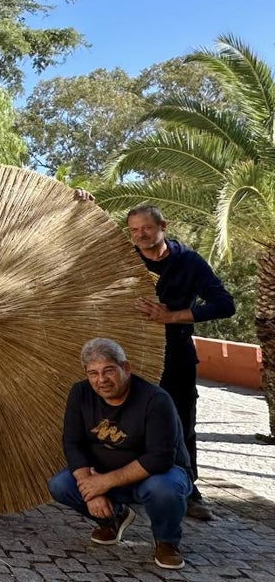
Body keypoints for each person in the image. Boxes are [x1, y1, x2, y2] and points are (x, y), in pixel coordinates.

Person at [126, 204, 234, 521]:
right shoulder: (124, 259)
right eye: (134, 230)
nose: (140, 235)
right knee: (125, 420)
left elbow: (224, 305)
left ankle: (188, 492)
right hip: (130, 353)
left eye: (146, 227)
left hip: (176, 353)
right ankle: (127, 485)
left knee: (181, 423)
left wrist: (171, 317)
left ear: (163, 226)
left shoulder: (189, 262)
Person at [49, 338, 193, 570]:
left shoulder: (156, 400)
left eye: (109, 371)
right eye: (93, 373)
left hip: (158, 475)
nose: (101, 380)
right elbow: (72, 442)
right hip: (103, 473)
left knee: (163, 488)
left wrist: (104, 482)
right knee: (60, 484)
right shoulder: (80, 393)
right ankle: (112, 518)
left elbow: (159, 457)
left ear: (125, 368)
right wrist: (91, 488)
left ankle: (167, 541)